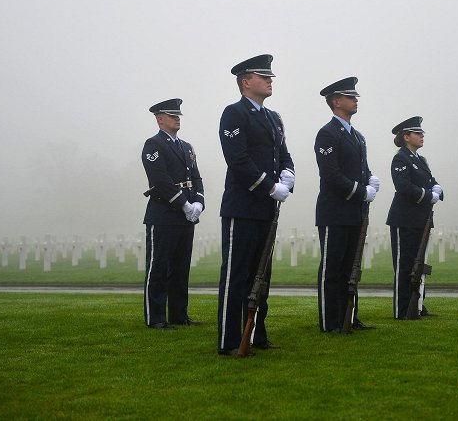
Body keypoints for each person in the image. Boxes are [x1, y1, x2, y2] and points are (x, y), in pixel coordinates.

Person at [217, 54, 295, 356]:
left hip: (266, 208)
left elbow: (283, 154)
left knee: (262, 276)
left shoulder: (273, 118)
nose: (270, 80)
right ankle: (229, 338)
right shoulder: (234, 114)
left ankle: (257, 333)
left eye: (270, 76)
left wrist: (288, 175)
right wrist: (269, 185)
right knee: (237, 275)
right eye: (264, 77)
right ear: (246, 82)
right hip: (243, 206)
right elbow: (237, 160)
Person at [314, 77, 380, 333]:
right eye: (350, 97)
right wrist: (360, 190)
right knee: (332, 269)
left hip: (355, 212)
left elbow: (359, 169)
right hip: (335, 211)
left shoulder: (358, 136)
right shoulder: (327, 133)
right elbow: (331, 175)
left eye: (355, 97)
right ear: (336, 101)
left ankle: (349, 316)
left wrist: (370, 179)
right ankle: (330, 321)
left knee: (350, 268)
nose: (356, 100)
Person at [141, 98, 205, 330]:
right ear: (159, 119)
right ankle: (156, 317)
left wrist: (198, 202)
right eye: (171, 115)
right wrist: (183, 204)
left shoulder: (186, 147)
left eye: (177, 115)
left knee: (180, 268)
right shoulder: (153, 145)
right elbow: (160, 180)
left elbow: (196, 177)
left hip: (185, 216)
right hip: (164, 214)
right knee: (158, 267)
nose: (176, 118)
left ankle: (179, 314)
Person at [386, 116, 444, 319]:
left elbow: (431, 181)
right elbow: (403, 187)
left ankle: (418, 304)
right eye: (418, 133)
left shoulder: (420, 160)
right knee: (405, 265)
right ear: (406, 137)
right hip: (405, 219)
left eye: (422, 133)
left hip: (422, 219)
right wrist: (429, 195)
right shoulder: (401, 159)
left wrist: (438, 188)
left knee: (419, 264)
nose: (421, 136)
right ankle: (402, 309)